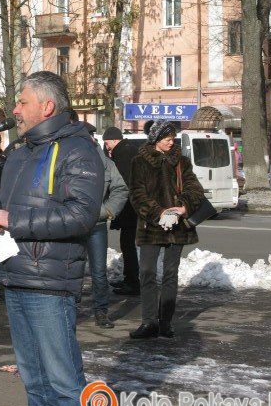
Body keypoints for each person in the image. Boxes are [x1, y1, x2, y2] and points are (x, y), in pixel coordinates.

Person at [0, 71, 104, 406]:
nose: (15, 110)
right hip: (16, 273)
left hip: (49, 282)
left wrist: (18, 220)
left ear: (46, 106)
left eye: (22, 102)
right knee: (34, 382)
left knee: (63, 384)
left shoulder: (78, 149)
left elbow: (81, 215)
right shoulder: (20, 151)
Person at [129, 120, 205, 339]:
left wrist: (183, 207)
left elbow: (195, 189)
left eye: (173, 139)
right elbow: (137, 195)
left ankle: (166, 323)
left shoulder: (181, 162)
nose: (171, 143)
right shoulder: (139, 161)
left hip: (178, 226)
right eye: (167, 139)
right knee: (147, 273)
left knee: (171, 274)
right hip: (150, 226)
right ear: (155, 139)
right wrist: (158, 213)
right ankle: (149, 322)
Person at [84, 122, 128, 329]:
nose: (89, 140)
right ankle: (67, 309)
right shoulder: (67, 161)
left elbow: (121, 189)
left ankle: (101, 311)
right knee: (69, 269)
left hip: (96, 224)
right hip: (69, 224)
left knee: (99, 271)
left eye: (92, 137)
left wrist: (105, 211)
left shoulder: (106, 165)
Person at [102, 126, 140, 295]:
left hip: (129, 208)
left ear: (114, 140)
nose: (107, 146)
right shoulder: (129, 149)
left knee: (128, 245)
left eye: (107, 143)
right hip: (133, 207)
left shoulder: (122, 153)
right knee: (128, 244)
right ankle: (130, 279)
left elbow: (121, 183)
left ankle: (132, 282)